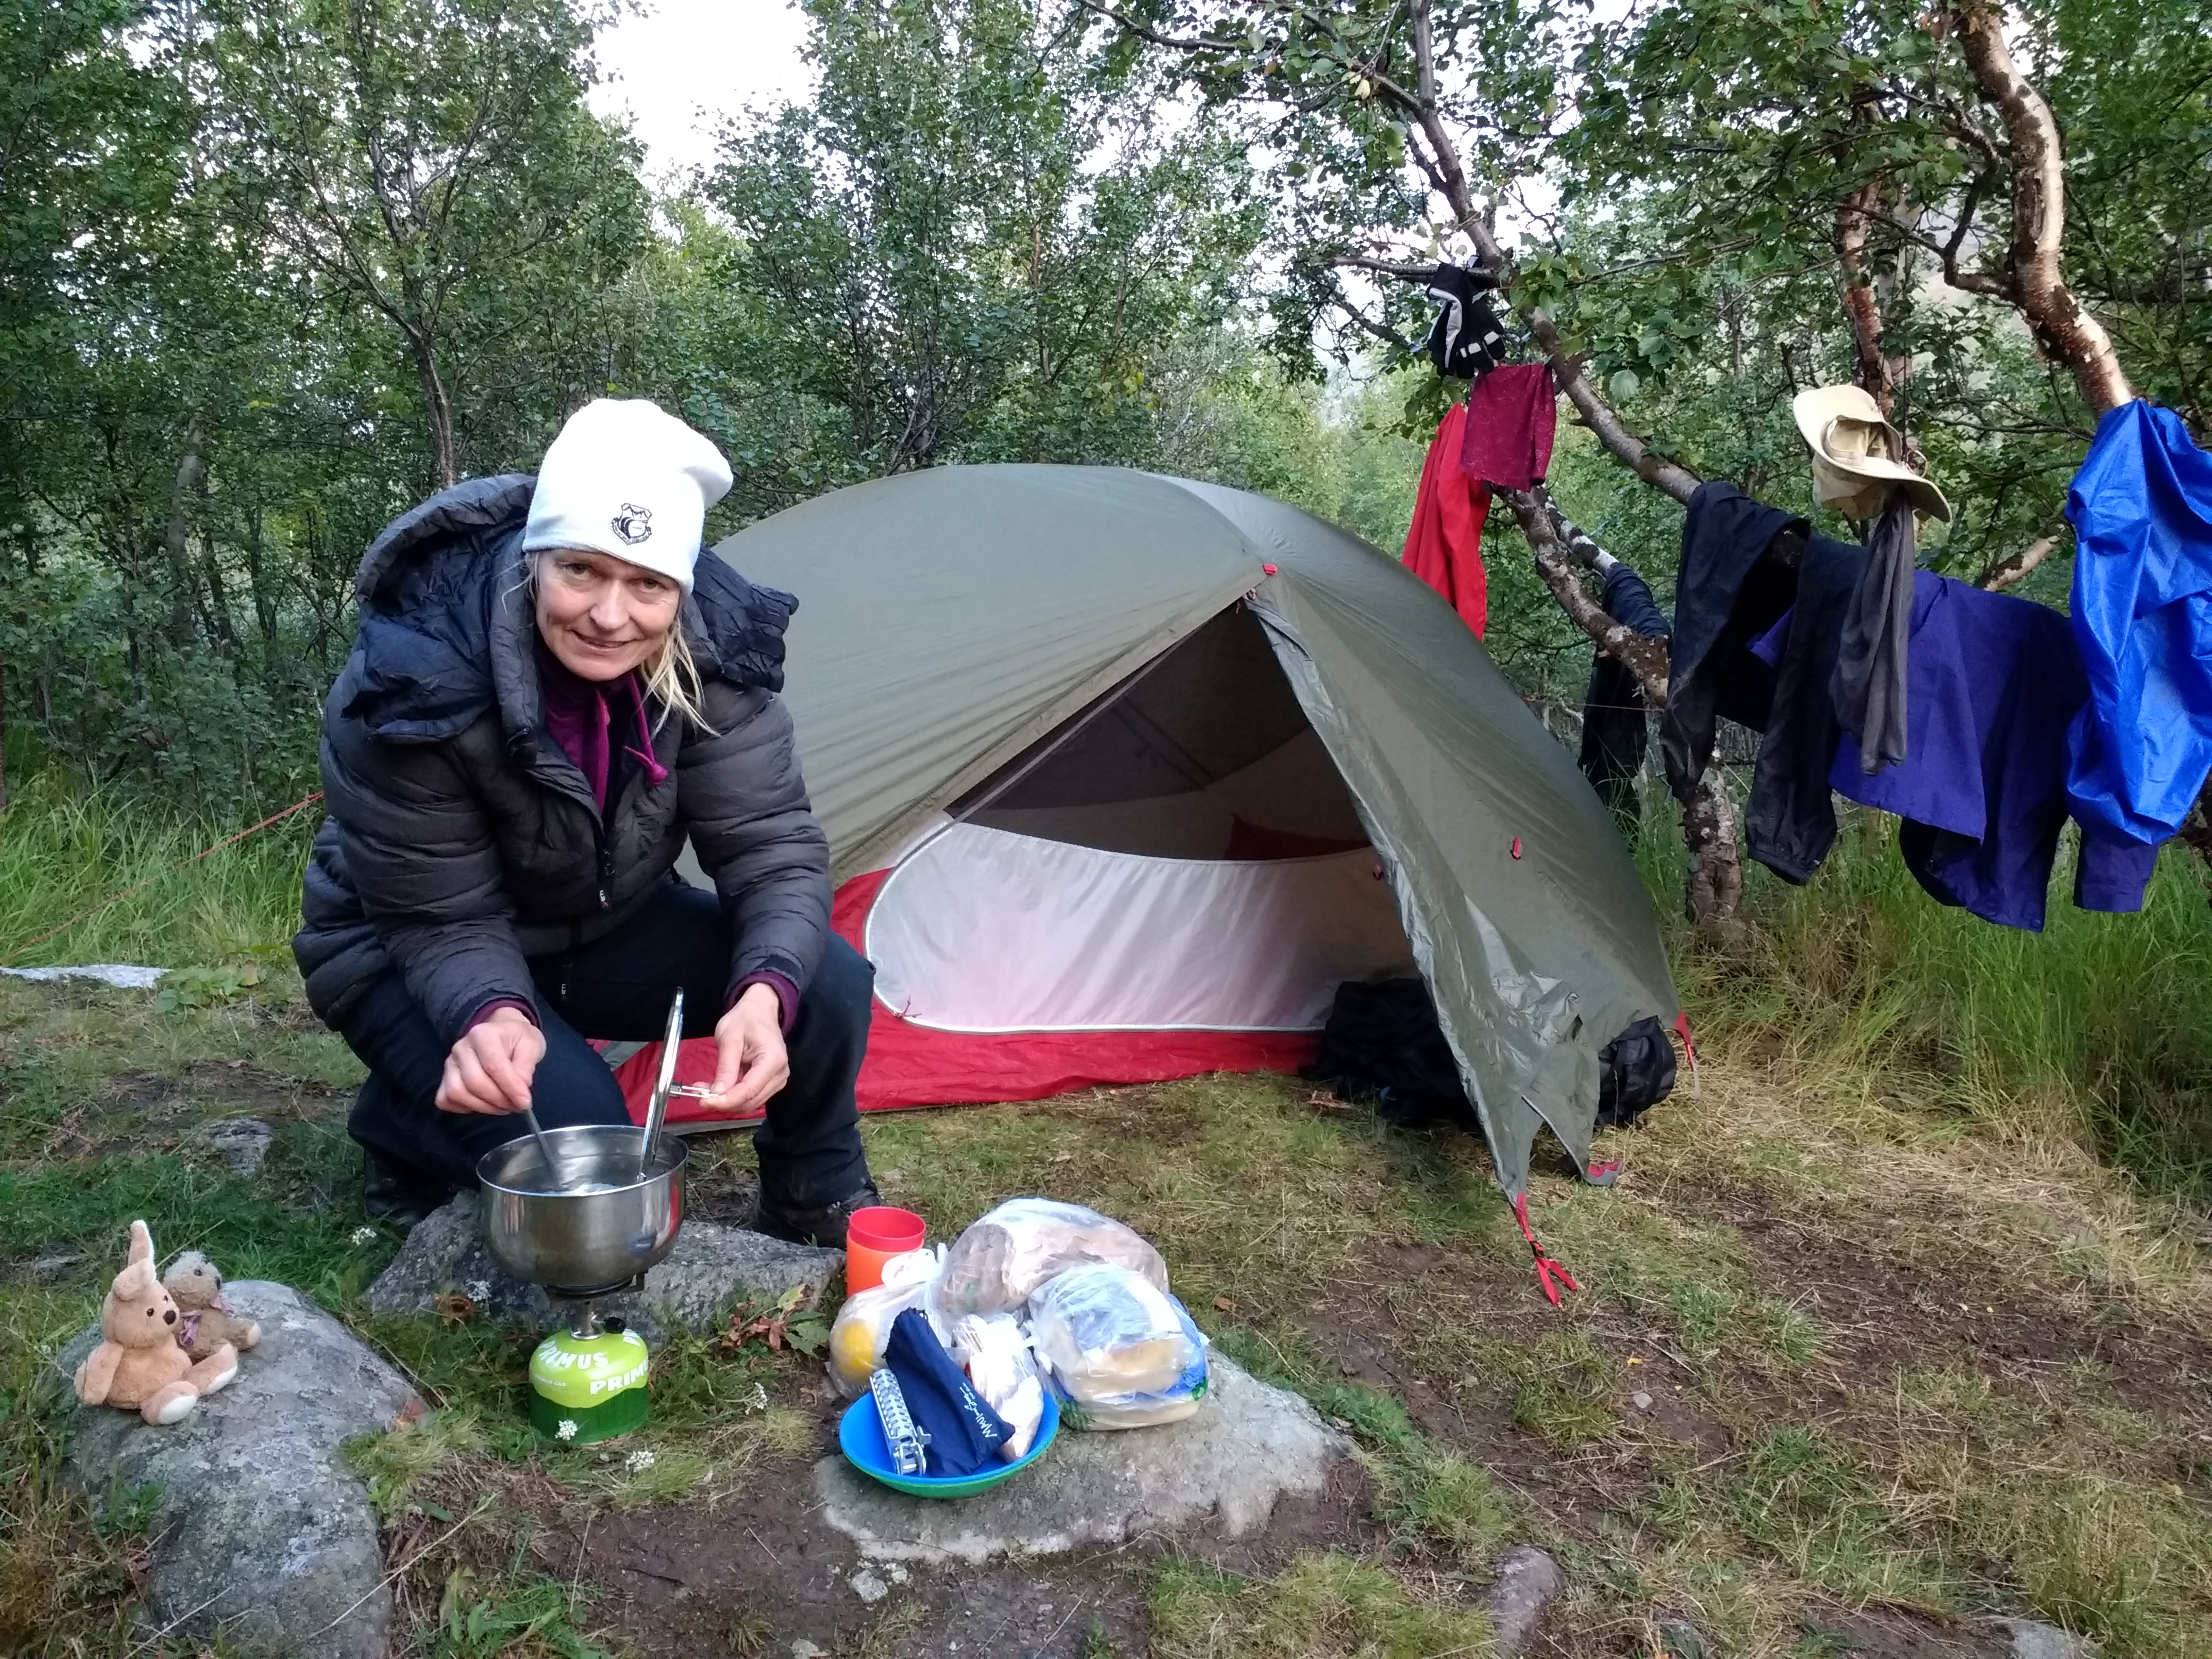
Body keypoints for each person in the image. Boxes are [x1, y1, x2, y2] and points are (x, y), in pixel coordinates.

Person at [292, 399, 880, 1244]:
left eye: (646, 585)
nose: (611, 616)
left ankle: (812, 1191)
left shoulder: (713, 662)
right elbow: (439, 914)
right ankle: (403, 1126)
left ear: (679, 589)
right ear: (536, 558)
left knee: (821, 980)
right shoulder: (415, 678)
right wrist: (491, 1014)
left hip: (600, 925)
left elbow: (772, 847)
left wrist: (762, 990)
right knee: (583, 1138)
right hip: (403, 939)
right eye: (581, 571)